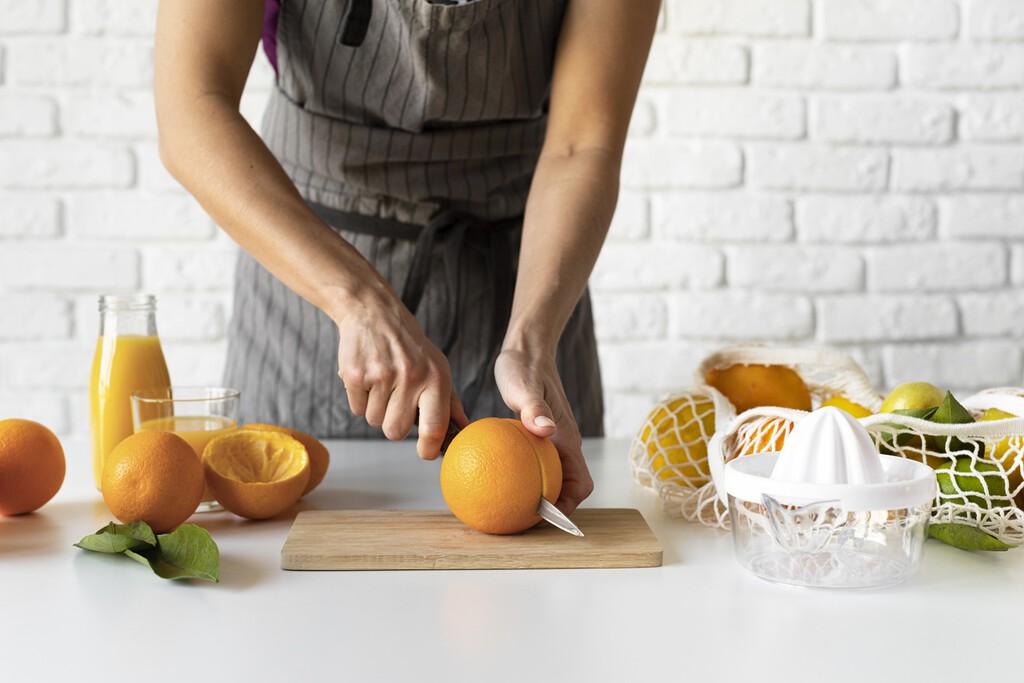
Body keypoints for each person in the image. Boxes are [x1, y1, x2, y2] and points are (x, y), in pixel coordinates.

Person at [153, 0, 659, 514]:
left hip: (527, 273)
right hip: (310, 275)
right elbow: (190, 109)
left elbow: (582, 145)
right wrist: (356, 301)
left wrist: (532, 341)